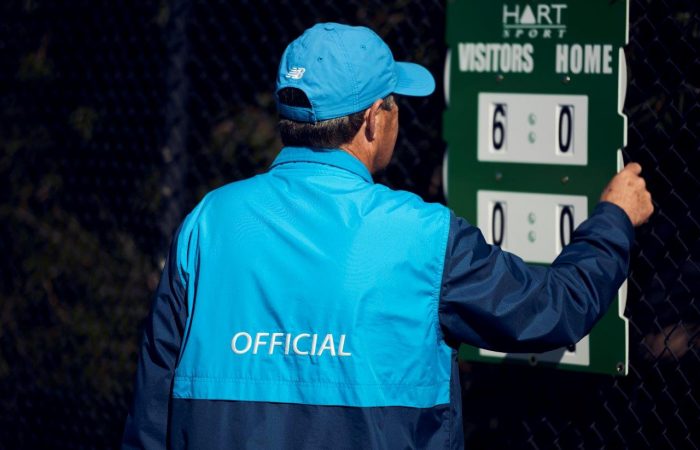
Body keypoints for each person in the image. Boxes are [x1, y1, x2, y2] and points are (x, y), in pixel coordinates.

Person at [122, 23, 653, 449]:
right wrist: (614, 219)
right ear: (374, 120)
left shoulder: (207, 222)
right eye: (395, 102)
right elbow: (555, 309)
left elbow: (152, 410)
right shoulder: (424, 236)